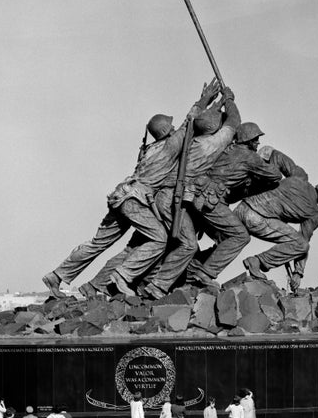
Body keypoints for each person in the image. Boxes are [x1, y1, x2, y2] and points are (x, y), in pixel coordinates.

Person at [43, 80, 221, 298]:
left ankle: (57, 275)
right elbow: (189, 124)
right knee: (159, 239)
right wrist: (205, 100)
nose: (175, 129)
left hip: (121, 196)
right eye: (171, 128)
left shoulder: (150, 150)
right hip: (134, 200)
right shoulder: (168, 147)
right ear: (166, 131)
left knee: (98, 244)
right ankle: (122, 275)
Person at [138, 85, 241, 298]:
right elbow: (234, 122)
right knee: (189, 244)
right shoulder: (211, 144)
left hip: (164, 196)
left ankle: (155, 281)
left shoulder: (186, 141)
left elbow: (190, 121)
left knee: (176, 241)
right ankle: (157, 286)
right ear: (214, 128)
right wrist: (229, 100)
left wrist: (210, 102)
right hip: (171, 198)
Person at [182, 126, 306, 287]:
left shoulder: (228, 150)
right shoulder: (249, 157)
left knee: (223, 237)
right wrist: (270, 160)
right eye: (255, 139)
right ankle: (205, 274)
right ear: (248, 141)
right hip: (210, 201)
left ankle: (193, 268)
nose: (258, 142)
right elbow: (275, 175)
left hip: (199, 195)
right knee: (241, 236)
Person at [238, 176, 318, 292]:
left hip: (242, 207)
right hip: (256, 218)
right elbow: (303, 242)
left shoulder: (296, 179)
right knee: (301, 245)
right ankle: (257, 261)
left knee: (225, 241)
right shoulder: (315, 213)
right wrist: (298, 272)